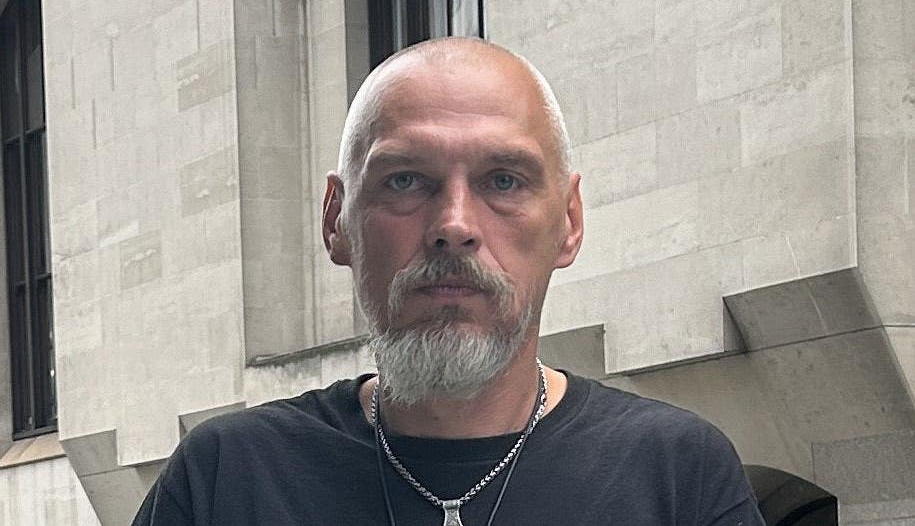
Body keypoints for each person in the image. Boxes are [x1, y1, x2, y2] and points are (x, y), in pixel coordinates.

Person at [133, 37, 765, 525]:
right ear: (337, 221)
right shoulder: (227, 479)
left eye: (503, 180)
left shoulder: (678, 475)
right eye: (405, 179)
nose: (454, 225)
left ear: (568, 223)